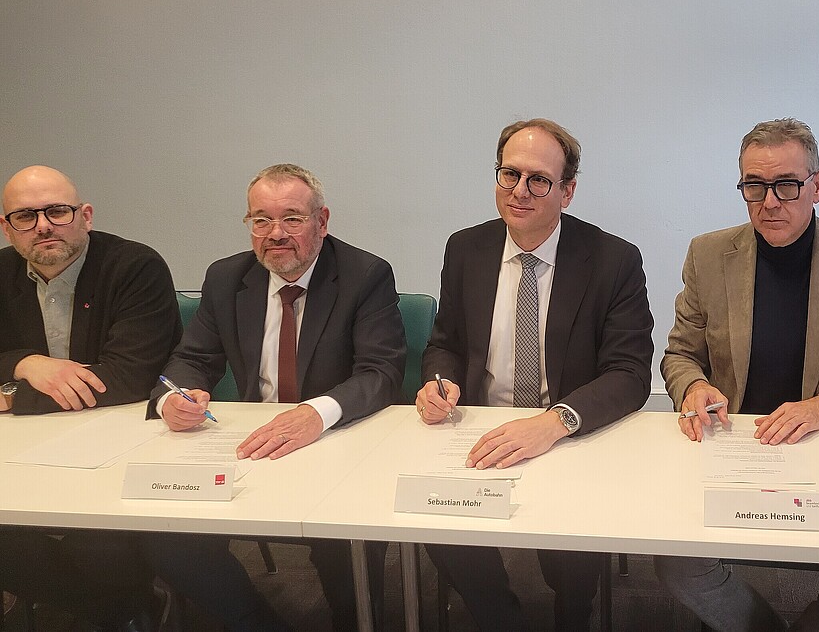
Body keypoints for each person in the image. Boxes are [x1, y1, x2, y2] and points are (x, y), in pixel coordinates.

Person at [654, 119, 819, 632]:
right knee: (679, 566)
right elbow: (680, 354)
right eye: (754, 186)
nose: (770, 202)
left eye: (787, 185)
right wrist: (693, 385)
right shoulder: (708, 255)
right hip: (735, 448)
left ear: (817, 186)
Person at [143, 163, 406, 632]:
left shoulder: (364, 275)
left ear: (322, 221)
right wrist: (172, 400)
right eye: (261, 220)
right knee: (167, 538)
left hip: (337, 445)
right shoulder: (227, 277)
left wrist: (315, 413)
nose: (275, 233)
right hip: (250, 445)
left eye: (292, 218)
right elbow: (191, 359)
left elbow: (380, 372)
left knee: (344, 546)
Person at [415, 118, 654, 631]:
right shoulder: (466, 248)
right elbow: (445, 343)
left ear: (567, 191)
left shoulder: (613, 260)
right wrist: (439, 381)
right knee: (436, 520)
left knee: (573, 547)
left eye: (539, 180)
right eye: (510, 174)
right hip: (480, 428)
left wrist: (554, 422)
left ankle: (573, 614)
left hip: (569, 432)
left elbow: (630, 373)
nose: (519, 191)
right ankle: (501, 616)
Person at [0, 165, 180, 631]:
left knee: (99, 543)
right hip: (21, 445)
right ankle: (113, 607)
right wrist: (26, 363)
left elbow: (129, 377)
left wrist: (12, 397)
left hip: (123, 437)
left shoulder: (135, 266)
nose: (43, 226)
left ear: (85, 215)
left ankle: (122, 606)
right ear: (7, 227)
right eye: (25, 216)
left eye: (57, 211)